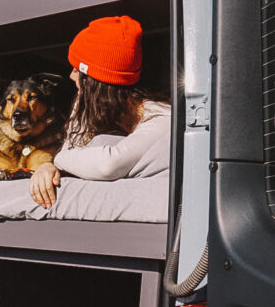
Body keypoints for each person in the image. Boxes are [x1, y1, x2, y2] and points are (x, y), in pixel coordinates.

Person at [29, 15, 170, 209]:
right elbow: (73, 149)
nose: (71, 75)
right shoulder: (90, 107)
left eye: (78, 70)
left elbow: (108, 165)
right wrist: (48, 167)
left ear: (96, 83)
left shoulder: (162, 117)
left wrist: (59, 159)